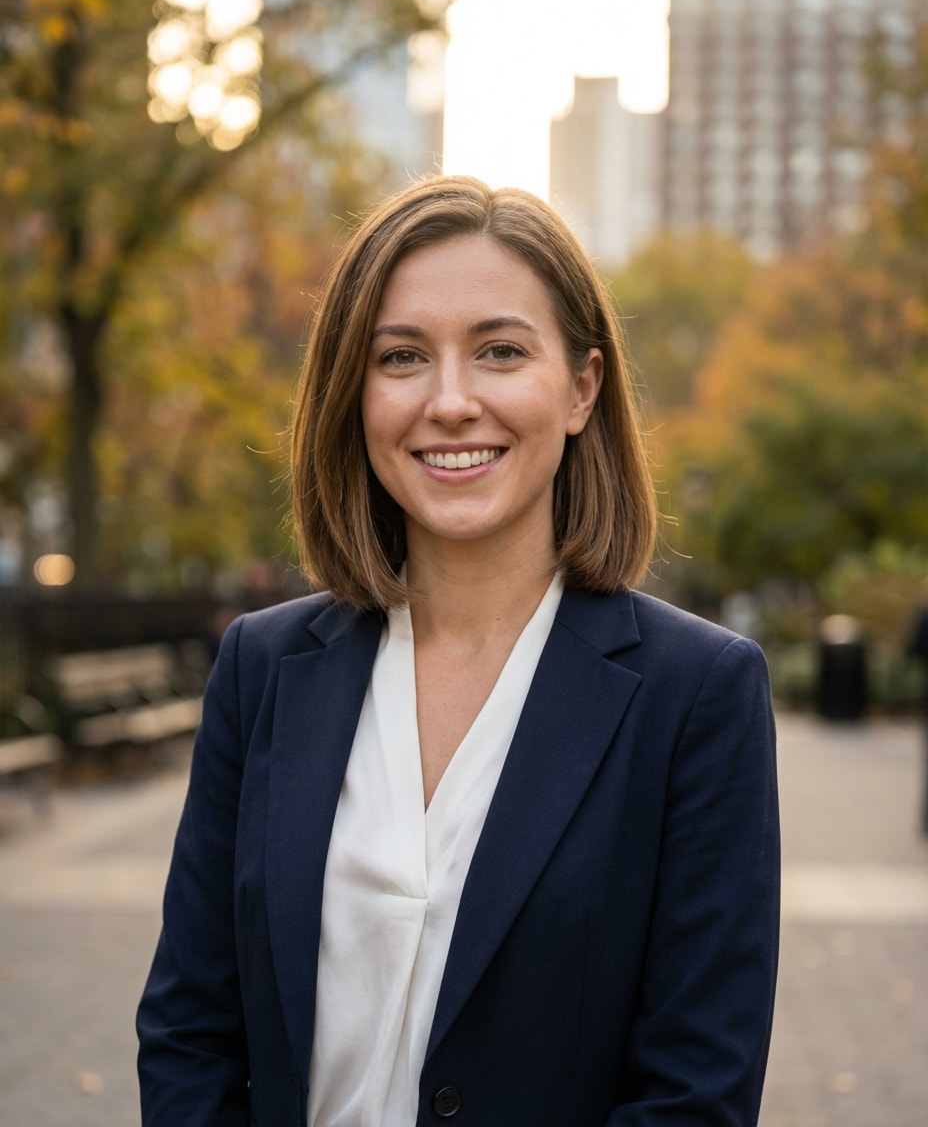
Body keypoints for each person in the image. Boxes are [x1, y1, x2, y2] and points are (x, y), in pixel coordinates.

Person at [137, 175, 780, 1126]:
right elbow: (192, 1030)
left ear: (581, 387)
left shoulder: (699, 696)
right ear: (356, 395)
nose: (450, 402)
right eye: (401, 357)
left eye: (501, 352)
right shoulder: (261, 671)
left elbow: (696, 1091)